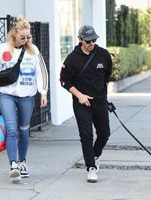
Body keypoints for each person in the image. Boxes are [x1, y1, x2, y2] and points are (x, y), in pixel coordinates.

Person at [0, 16, 48, 183]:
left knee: (23, 131)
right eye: (23, 37)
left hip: (27, 96)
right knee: (12, 130)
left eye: (28, 37)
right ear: (14, 33)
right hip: (7, 95)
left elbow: (41, 72)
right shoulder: (2, 49)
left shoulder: (33, 50)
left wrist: (43, 92)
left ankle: (22, 162)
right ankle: (13, 165)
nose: (26, 39)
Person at [60, 25, 112, 183]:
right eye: (88, 40)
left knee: (104, 134)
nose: (91, 43)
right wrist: (80, 96)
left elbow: (107, 75)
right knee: (86, 135)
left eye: (94, 40)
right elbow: (64, 81)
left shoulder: (103, 54)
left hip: (100, 101)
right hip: (81, 102)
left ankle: (95, 155)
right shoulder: (72, 58)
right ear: (80, 39)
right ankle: (91, 168)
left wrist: (102, 95)